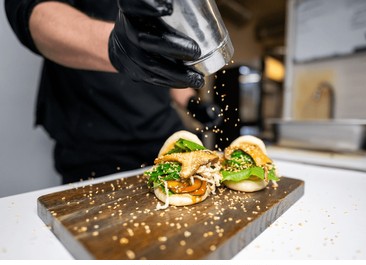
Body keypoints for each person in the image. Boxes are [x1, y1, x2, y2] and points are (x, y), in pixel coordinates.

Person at [5, 0, 220, 183]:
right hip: (95, 143)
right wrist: (113, 44)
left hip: (162, 132)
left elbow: (158, 61)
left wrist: (193, 103)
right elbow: (31, 12)